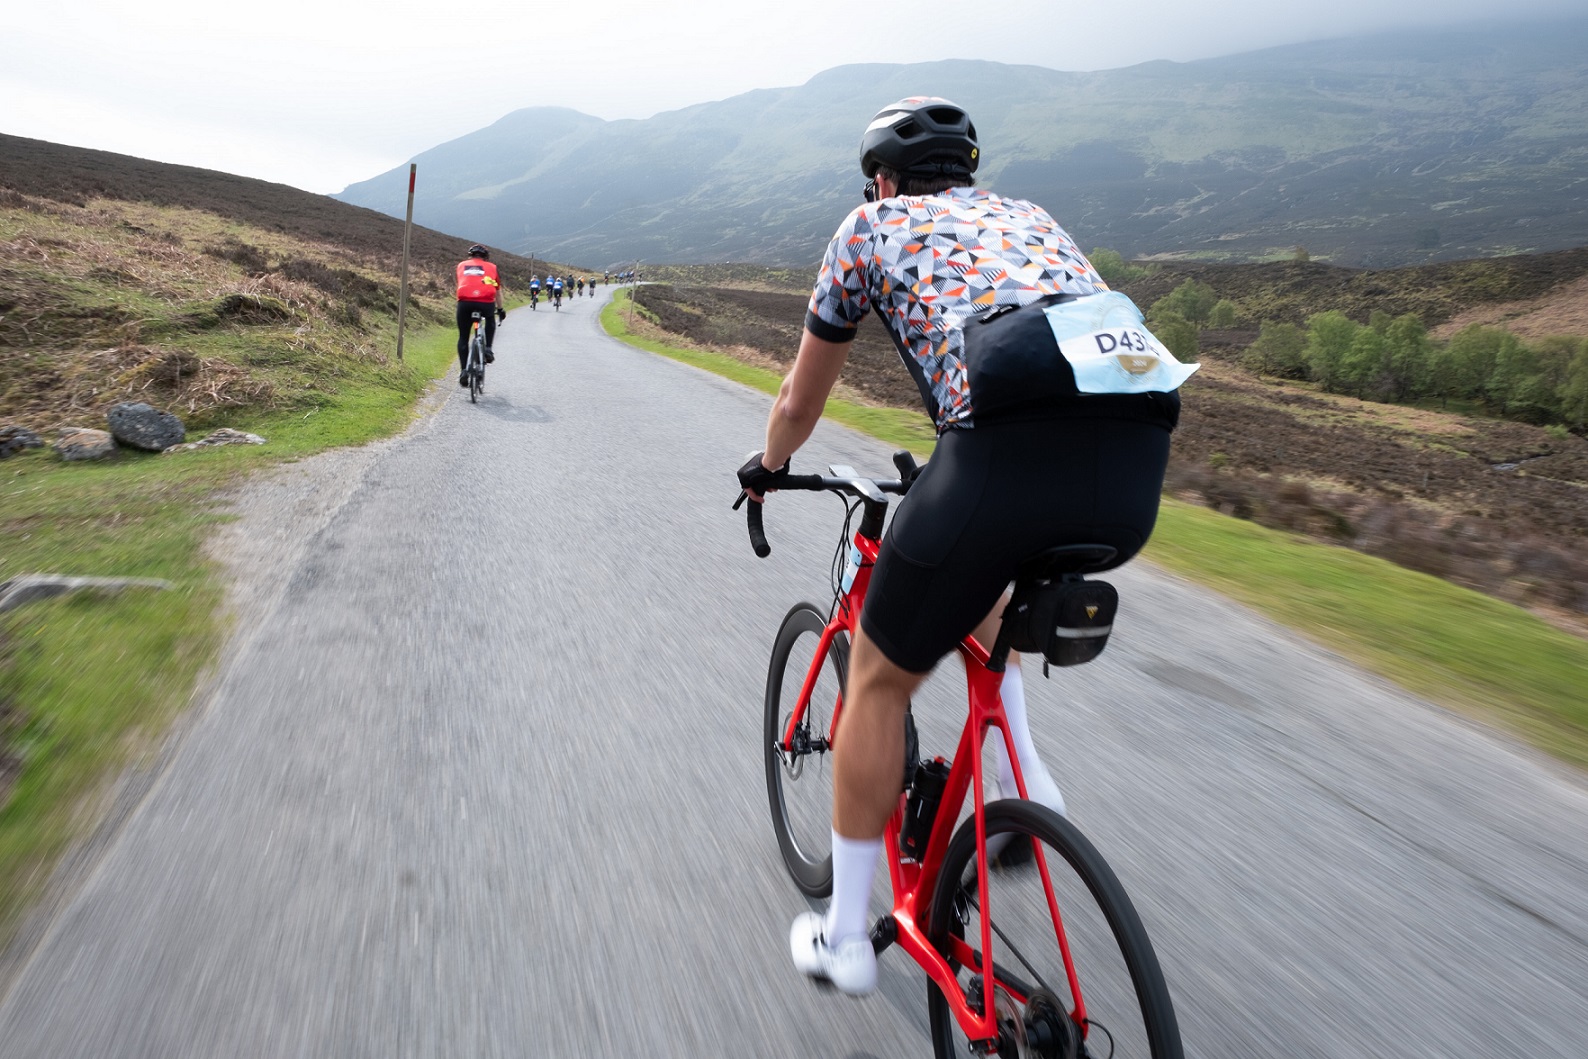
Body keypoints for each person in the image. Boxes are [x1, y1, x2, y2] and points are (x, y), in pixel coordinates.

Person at [737, 97, 1195, 996]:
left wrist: (768, 464)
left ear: (882, 178)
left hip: (1002, 463)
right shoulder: (1031, 218)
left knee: (875, 679)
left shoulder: (868, 227)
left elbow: (799, 396)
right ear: (968, 171)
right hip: (1133, 470)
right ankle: (1031, 781)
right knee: (987, 593)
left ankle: (845, 941)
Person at [455, 244, 506, 385]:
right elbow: (497, 291)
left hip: (464, 303)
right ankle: (488, 349)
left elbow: (463, 283)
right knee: (490, 319)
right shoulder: (492, 267)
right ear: (485, 257)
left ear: (470, 256)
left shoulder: (461, 265)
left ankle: (464, 370)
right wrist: (500, 310)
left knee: (463, 337)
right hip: (485, 302)